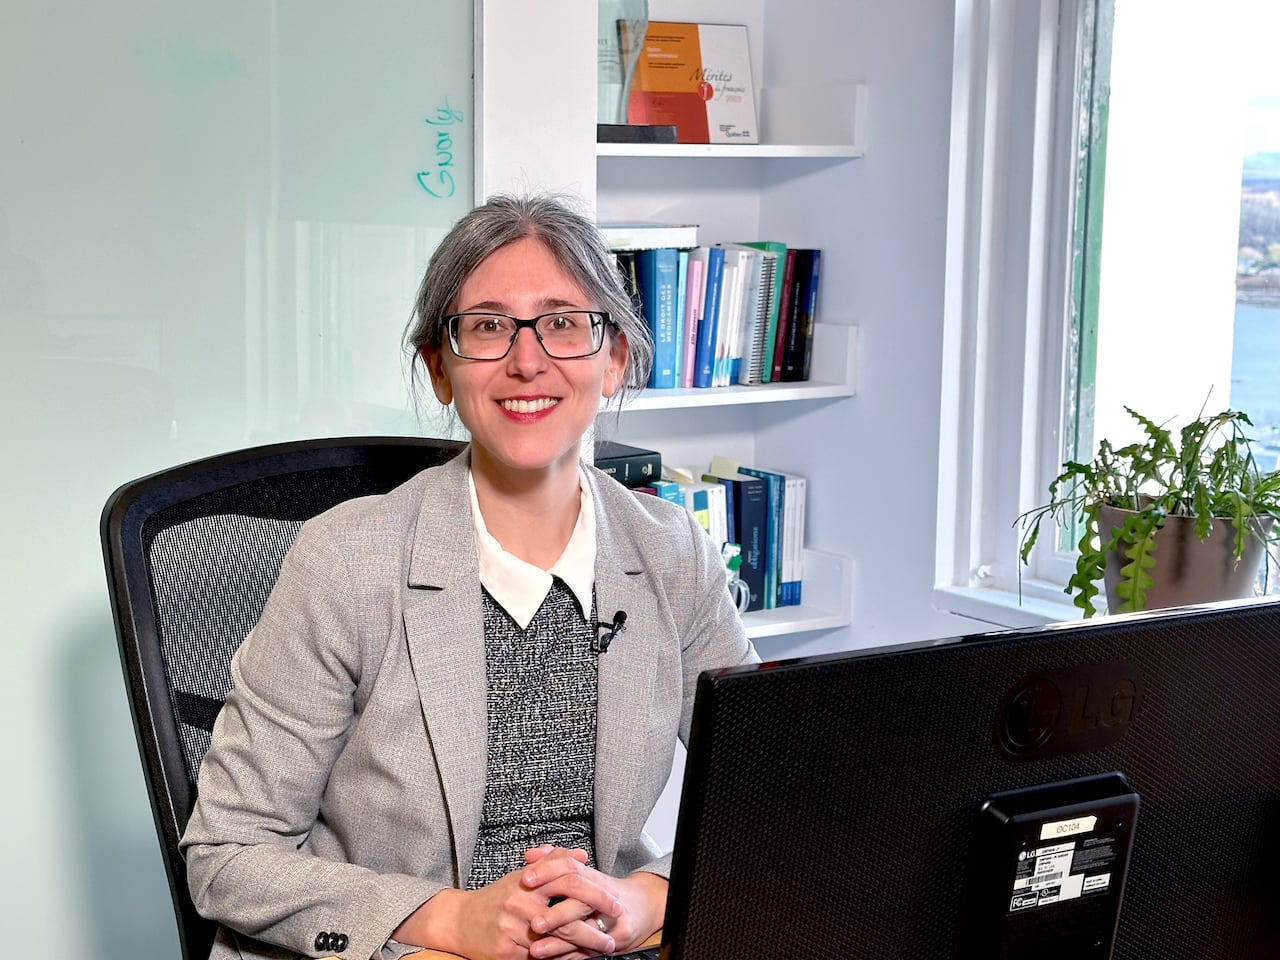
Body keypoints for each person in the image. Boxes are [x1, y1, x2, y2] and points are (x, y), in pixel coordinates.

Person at [180, 194, 758, 960]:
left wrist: (639, 898)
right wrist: (452, 922)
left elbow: (773, 798)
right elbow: (228, 855)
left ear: (613, 357)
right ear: (440, 366)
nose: (528, 360)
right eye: (487, 326)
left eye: (563, 322)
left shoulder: (672, 552)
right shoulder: (346, 561)